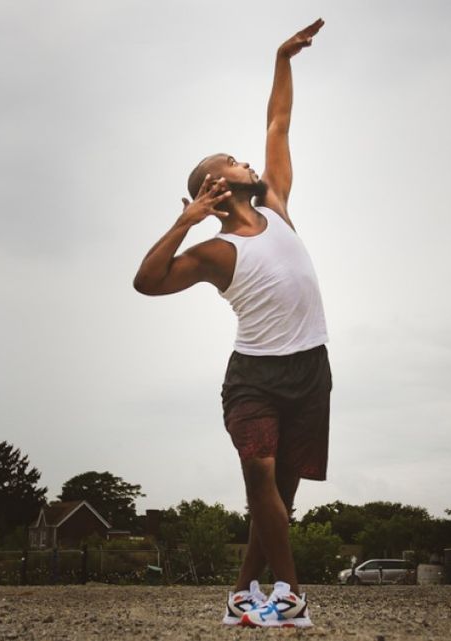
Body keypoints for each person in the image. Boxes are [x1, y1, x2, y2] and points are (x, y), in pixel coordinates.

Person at [133, 18, 329, 629]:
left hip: (311, 368)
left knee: (278, 498)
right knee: (261, 477)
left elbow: (278, 122)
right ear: (218, 184)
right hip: (254, 378)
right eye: (233, 161)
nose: (249, 160)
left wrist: (282, 58)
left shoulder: (276, 204)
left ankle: (242, 594)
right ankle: (290, 596)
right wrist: (187, 219)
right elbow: (148, 280)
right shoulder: (215, 252)